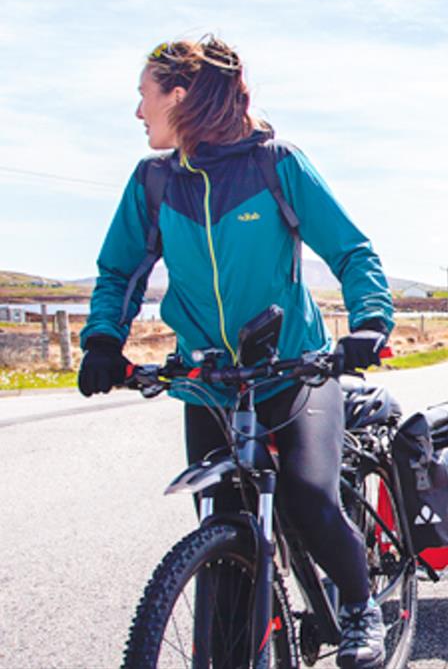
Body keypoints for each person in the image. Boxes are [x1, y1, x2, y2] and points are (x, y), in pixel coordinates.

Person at [77, 35, 393, 669]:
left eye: (145, 97)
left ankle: (361, 607)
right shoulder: (156, 181)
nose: (138, 113)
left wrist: (369, 322)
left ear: (181, 96)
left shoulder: (276, 164)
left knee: (305, 494)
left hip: (294, 371)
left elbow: (353, 253)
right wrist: (104, 339)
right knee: (223, 528)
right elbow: (120, 272)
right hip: (210, 382)